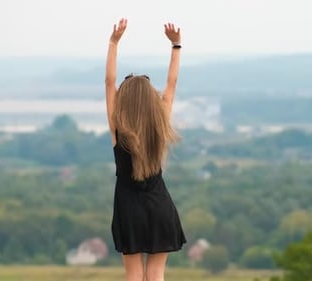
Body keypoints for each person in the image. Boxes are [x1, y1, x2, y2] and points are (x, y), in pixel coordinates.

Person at [105, 18, 187, 281]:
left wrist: (113, 42)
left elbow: (109, 83)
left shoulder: (118, 128)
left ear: (123, 101)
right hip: (159, 205)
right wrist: (176, 46)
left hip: (128, 208)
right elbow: (171, 86)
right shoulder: (159, 127)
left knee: (134, 275)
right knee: (155, 275)